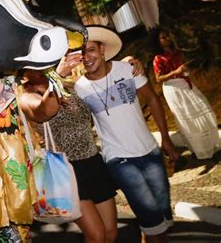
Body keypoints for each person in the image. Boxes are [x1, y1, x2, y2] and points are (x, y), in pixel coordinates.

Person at [74, 25, 179, 243]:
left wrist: (166, 138)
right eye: (81, 53)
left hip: (150, 151)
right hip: (119, 159)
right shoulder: (79, 88)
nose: (86, 57)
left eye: (91, 50)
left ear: (102, 49)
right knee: (149, 212)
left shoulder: (127, 69)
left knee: (160, 216)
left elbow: (152, 99)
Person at [22, 60, 118, 243]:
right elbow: (47, 110)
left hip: (93, 162)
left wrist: (128, 63)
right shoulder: (27, 96)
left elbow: (100, 79)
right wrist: (57, 78)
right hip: (67, 170)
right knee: (96, 236)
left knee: (110, 232)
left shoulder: (71, 85)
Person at [152, 28, 219, 159]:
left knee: (202, 109)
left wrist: (184, 72)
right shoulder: (158, 58)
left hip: (186, 83)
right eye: (163, 38)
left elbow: (182, 68)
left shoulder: (177, 53)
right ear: (157, 42)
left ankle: (210, 145)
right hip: (173, 88)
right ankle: (199, 150)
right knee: (187, 117)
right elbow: (158, 78)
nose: (167, 39)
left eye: (167, 36)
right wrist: (176, 72)